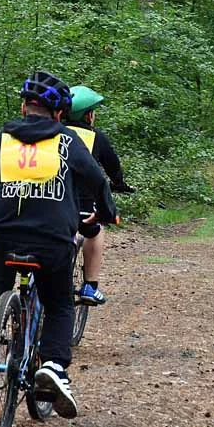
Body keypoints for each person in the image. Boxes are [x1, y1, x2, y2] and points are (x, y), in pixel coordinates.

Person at [0, 71, 118, 419]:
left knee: (0, 252)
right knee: (59, 304)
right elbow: (97, 179)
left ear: (24, 106)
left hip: (6, 234)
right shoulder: (67, 141)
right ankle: (53, 366)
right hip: (52, 240)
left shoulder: (4, 138)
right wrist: (103, 212)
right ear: (58, 114)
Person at [64, 85, 134, 306]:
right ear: (89, 115)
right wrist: (119, 183)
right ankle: (90, 286)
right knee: (95, 230)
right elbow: (112, 167)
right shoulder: (96, 138)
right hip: (82, 207)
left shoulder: (52, 133)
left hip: (49, 201)